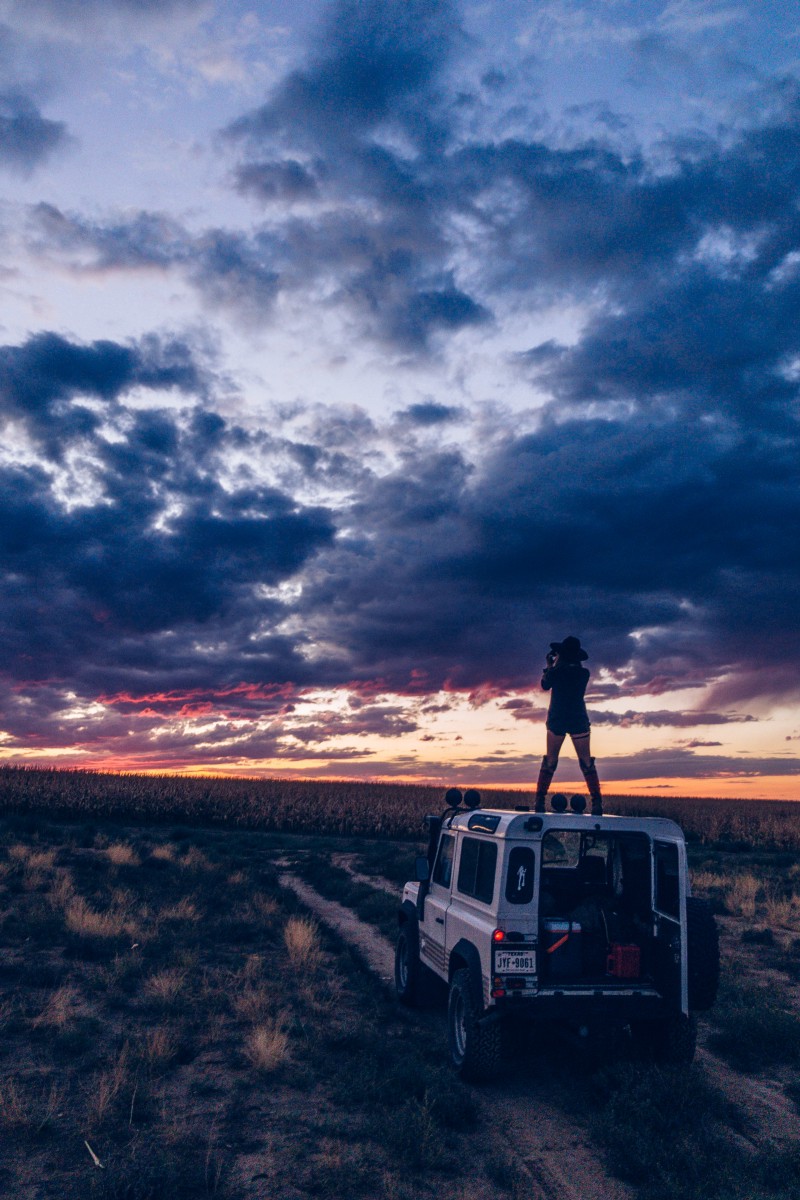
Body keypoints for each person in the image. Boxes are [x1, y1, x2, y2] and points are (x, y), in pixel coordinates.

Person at [535, 635, 602, 816]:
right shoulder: (583, 674)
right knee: (586, 761)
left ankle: (540, 800)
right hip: (578, 718)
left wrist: (550, 665)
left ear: (562, 655)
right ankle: (596, 802)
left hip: (557, 718)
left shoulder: (556, 672)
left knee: (551, 760)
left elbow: (545, 684)